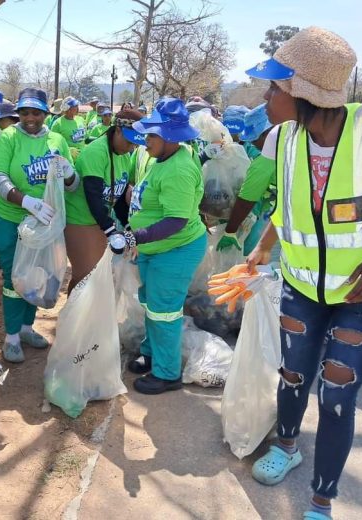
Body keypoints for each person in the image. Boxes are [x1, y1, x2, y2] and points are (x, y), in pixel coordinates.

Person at [244, 27, 362, 520]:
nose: (267, 95)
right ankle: (287, 445)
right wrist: (260, 249)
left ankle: (321, 503)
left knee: (339, 390)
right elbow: (292, 209)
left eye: (275, 87)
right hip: (301, 286)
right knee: (293, 373)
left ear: (303, 93)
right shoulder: (280, 140)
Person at [0, 87, 78, 363]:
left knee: (39, 277)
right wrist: (25, 201)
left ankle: (27, 328)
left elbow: (72, 186)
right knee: (15, 278)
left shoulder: (57, 140)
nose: (29, 117)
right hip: (11, 221)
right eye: (24, 112)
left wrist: (70, 173)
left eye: (36, 112)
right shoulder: (8, 138)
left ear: (45, 114)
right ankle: (12, 337)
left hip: (45, 225)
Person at [126, 98, 207, 395]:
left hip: (175, 250)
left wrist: (137, 236)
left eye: (151, 135)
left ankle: (167, 372)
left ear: (170, 136)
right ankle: (152, 353)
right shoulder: (161, 157)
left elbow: (176, 221)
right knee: (151, 303)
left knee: (164, 311)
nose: (145, 141)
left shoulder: (179, 169)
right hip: (156, 249)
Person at [64, 109, 144, 292]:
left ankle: (85, 318)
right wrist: (110, 230)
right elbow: (93, 195)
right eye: (129, 141)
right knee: (85, 276)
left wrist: (127, 225)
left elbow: (120, 198)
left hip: (99, 221)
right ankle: (74, 319)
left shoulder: (123, 156)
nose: (131, 148)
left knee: (95, 276)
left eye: (135, 144)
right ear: (117, 130)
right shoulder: (96, 152)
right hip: (80, 219)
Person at [217, 103, 276, 255]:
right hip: (233, 210)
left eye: (254, 139)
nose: (253, 143)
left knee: (251, 251)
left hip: (257, 210)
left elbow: (247, 196)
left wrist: (230, 231)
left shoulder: (262, 158)